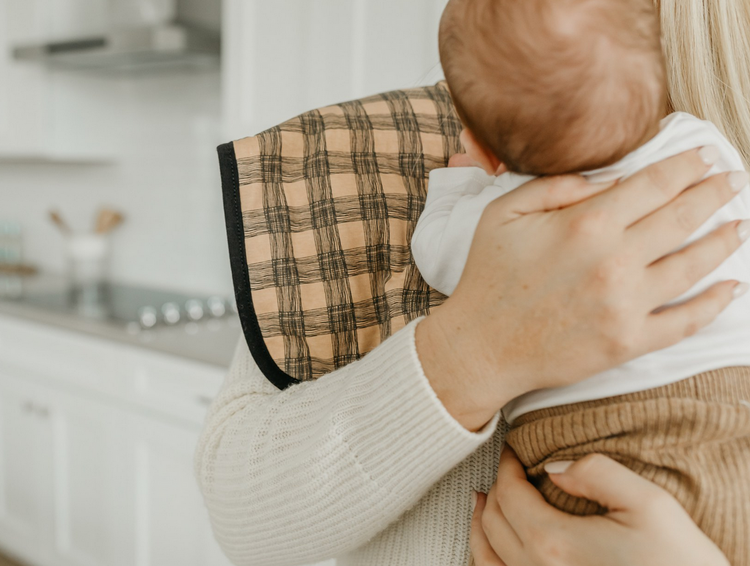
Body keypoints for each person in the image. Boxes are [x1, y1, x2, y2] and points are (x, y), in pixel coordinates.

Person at [194, 2, 749, 566]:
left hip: (577, 464)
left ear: (482, 148)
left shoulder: (489, 198)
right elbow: (242, 519)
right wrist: (468, 357)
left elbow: (439, 249)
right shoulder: (383, 152)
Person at [412, 0, 750, 562]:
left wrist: (460, 184)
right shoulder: (704, 146)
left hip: (596, 456)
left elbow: (435, 253)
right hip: (733, 431)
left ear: (487, 148)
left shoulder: (502, 216)